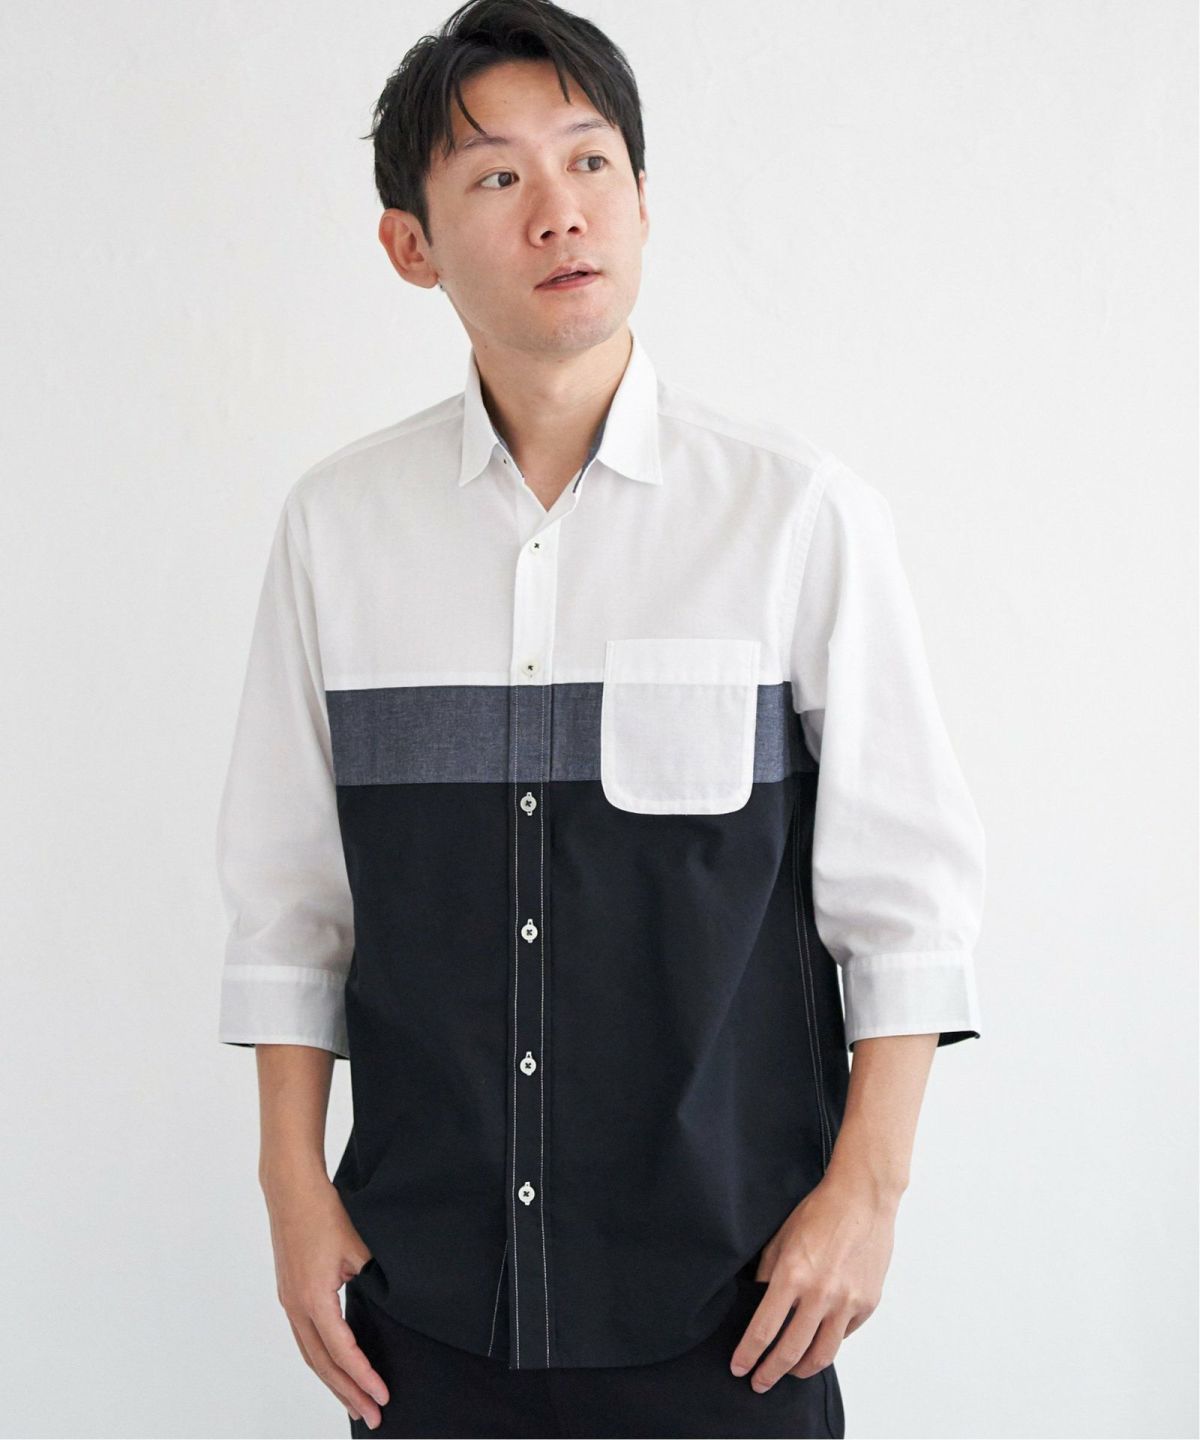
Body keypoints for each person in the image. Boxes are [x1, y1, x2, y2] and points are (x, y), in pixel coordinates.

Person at [214, 1, 987, 1435]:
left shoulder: (795, 516)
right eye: (497, 176)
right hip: (424, 1307)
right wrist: (292, 1195)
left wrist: (867, 1199)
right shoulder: (337, 530)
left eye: (590, 162)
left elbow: (907, 905)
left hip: (738, 1309)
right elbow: (291, 909)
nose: (559, 210)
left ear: (643, 199)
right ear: (410, 244)